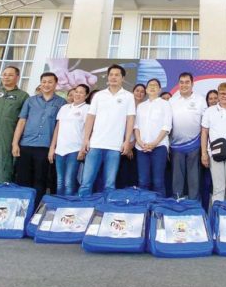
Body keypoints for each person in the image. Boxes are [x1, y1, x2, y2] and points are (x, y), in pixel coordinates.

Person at [78, 64, 136, 196]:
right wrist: (86, 140)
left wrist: (127, 141)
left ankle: (104, 214)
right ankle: (81, 212)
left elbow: (130, 120)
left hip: (114, 147)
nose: (113, 77)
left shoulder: (128, 96)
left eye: (117, 75)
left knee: (109, 185)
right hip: (95, 144)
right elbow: (90, 118)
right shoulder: (99, 95)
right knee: (86, 183)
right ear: (107, 77)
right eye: (111, 75)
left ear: (122, 78)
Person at [12, 72, 66, 204]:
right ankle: (22, 208)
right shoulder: (30, 100)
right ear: (41, 83)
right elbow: (22, 122)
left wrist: (53, 147)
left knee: (40, 180)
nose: (46, 84)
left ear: (55, 84)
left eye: (50, 82)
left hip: (45, 147)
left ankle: (36, 208)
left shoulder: (61, 103)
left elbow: (60, 127)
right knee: (23, 179)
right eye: (44, 82)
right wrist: (15, 143)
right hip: (26, 144)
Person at [169, 72, 206, 200]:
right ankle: (177, 201)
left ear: (192, 84)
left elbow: (205, 124)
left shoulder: (200, 100)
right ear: (178, 84)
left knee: (194, 177)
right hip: (176, 145)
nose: (184, 85)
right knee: (177, 178)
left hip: (195, 144)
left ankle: (193, 203)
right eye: (181, 82)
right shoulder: (172, 100)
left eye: (187, 82)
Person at [48, 84, 90, 196]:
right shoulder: (64, 108)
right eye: (76, 91)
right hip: (60, 149)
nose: (78, 94)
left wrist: (83, 149)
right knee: (60, 182)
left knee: (69, 181)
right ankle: (58, 207)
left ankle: (68, 208)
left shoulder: (87, 109)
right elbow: (58, 127)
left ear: (86, 96)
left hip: (75, 150)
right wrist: (52, 148)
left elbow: (88, 130)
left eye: (81, 92)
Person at [134, 79, 172, 196]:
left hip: (159, 147)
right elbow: (136, 126)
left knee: (158, 181)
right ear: (146, 89)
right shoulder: (141, 106)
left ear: (160, 89)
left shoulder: (165, 104)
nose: (152, 87)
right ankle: (143, 210)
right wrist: (140, 142)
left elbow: (166, 126)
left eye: (155, 85)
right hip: (142, 148)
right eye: (150, 85)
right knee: (143, 181)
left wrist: (154, 143)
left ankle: (158, 210)